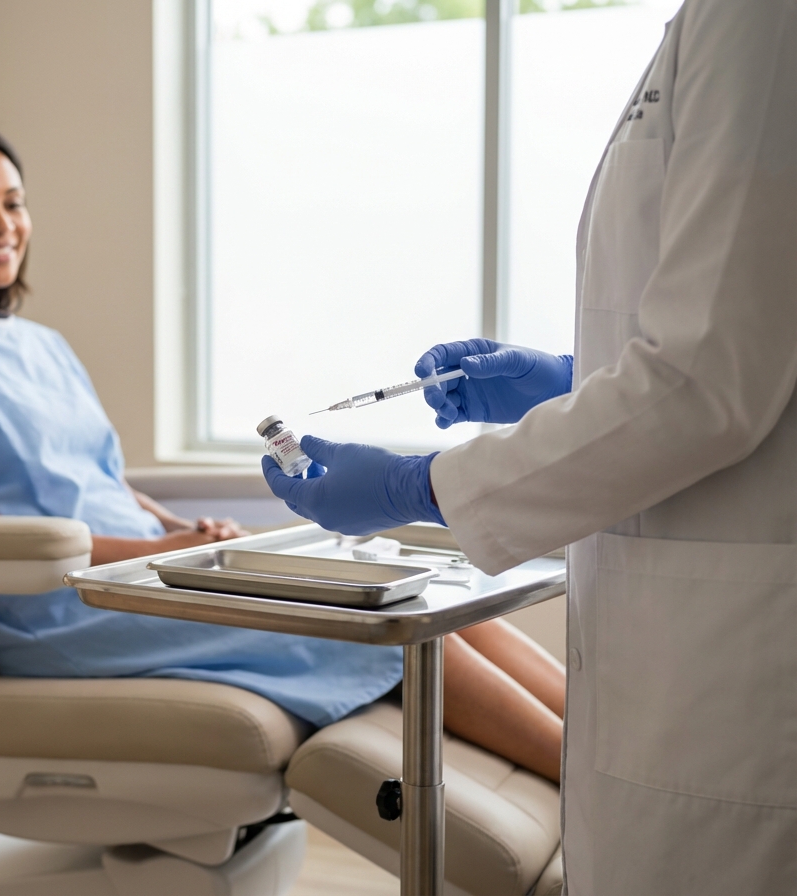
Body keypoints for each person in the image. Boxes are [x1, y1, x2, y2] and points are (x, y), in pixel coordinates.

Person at [265, 2, 796, 893]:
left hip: (736, 672)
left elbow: (707, 383)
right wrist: (574, 378)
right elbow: (738, 338)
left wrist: (417, 485)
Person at [0, 122, 568, 777]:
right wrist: (160, 553)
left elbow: (100, 481)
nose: (2, 224)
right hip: (65, 605)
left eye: (14, 201)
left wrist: (178, 533)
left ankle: (603, 749)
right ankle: (585, 787)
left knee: (423, 597)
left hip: (138, 572)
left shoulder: (39, 342)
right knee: (373, 619)